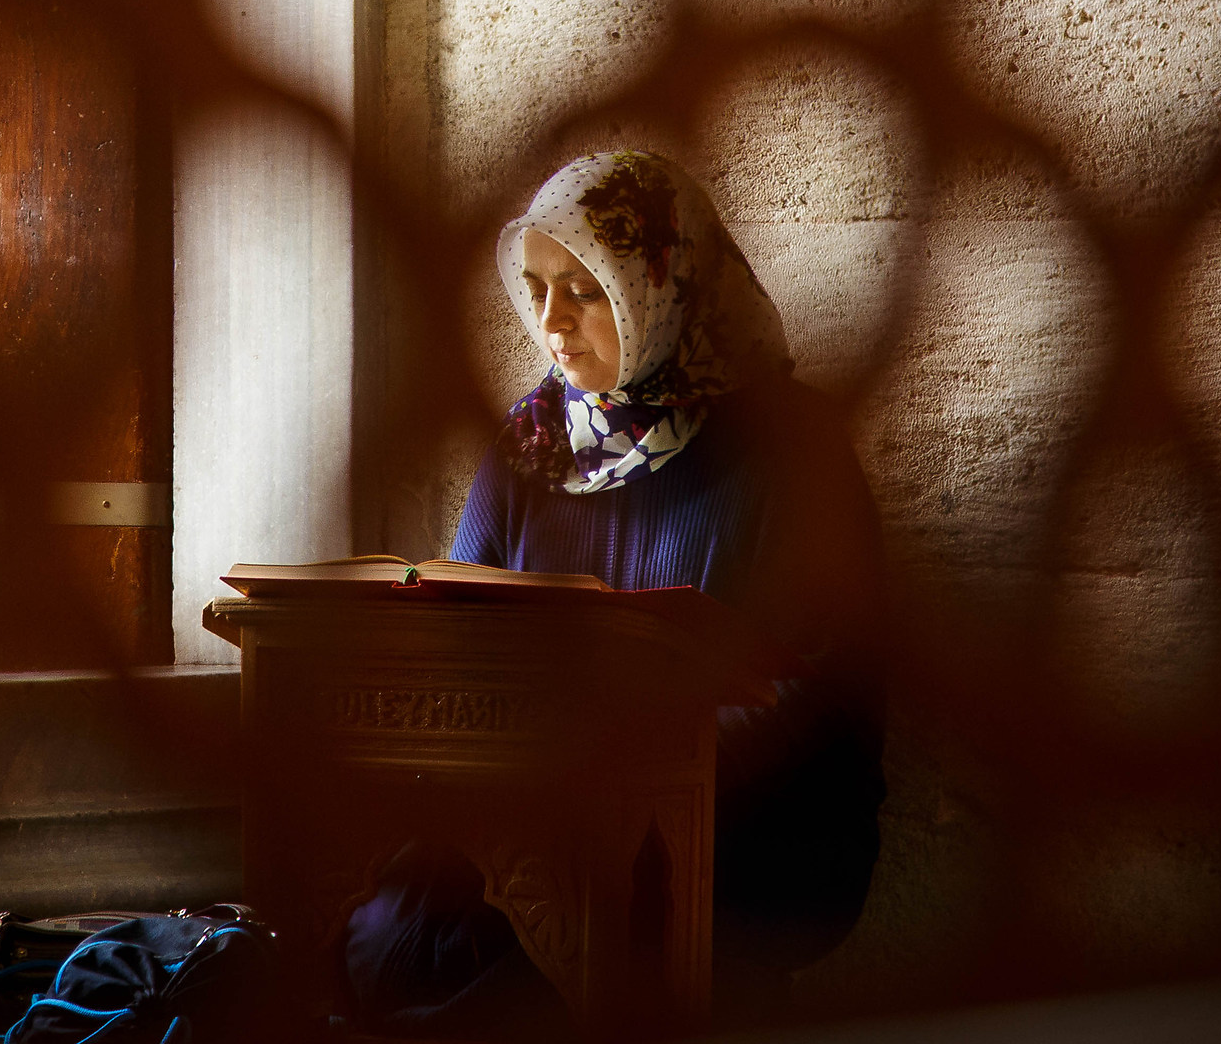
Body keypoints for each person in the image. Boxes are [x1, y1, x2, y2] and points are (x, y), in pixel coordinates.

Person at [342, 151, 887, 1034]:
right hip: (542, 806)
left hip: (743, 818)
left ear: (662, 281)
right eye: (536, 289)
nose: (551, 322)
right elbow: (460, 640)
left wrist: (620, 766)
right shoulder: (530, 444)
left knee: (569, 941)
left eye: (584, 290)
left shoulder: (789, 452)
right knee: (386, 932)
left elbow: (812, 697)